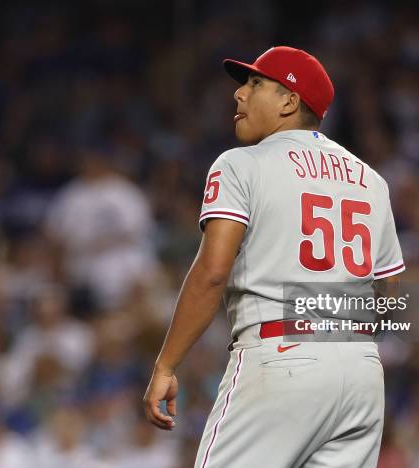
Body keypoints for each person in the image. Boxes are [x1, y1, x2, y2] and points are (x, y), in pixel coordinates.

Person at [144, 46, 404, 467]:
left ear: (289, 101)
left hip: (280, 356)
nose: (239, 95)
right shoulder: (371, 180)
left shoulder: (243, 164)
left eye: (255, 83)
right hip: (362, 369)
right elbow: (390, 296)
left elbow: (212, 274)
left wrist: (165, 365)